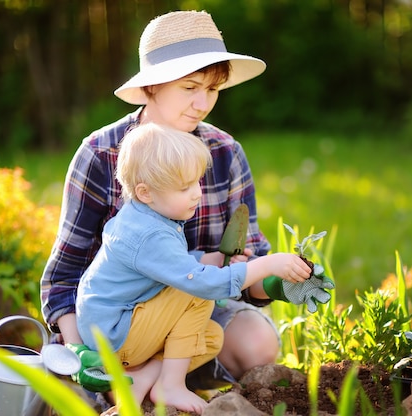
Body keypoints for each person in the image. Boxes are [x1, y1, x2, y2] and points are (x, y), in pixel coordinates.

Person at [40, 10, 333, 397]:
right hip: (112, 319)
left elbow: (242, 267)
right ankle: (133, 381)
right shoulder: (101, 153)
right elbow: (63, 276)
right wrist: (81, 352)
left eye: (212, 90)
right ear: (151, 87)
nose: (202, 103)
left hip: (191, 307)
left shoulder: (225, 153)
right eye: (189, 87)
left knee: (258, 344)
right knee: (78, 399)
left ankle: (162, 382)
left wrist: (282, 280)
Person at [75, 123, 313, 413]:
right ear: (145, 191)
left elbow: (167, 262)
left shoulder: (144, 216)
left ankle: (142, 380)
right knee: (197, 292)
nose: (197, 193)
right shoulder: (150, 233)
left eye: (197, 182)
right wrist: (267, 264)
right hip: (116, 335)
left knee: (210, 337)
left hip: (117, 328)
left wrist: (208, 259)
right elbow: (202, 283)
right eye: (184, 187)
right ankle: (171, 386)